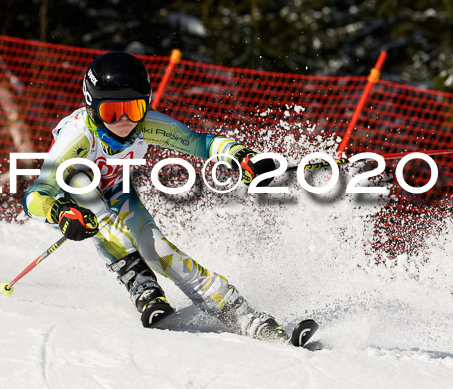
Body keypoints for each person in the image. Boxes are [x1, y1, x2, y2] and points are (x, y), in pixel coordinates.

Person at [22, 51, 288, 342]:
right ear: (92, 107)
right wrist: (59, 212)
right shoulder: (77, 137)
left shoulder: (147, 125)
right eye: (112, 112)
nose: (124, 121)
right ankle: (141, 283)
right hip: (72, 196)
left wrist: (241, 156)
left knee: (157, 250)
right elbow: (36, 195)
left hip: (115, 187)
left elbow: (200, 143)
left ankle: (242, 315)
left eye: (134, 109)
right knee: (91, 196)